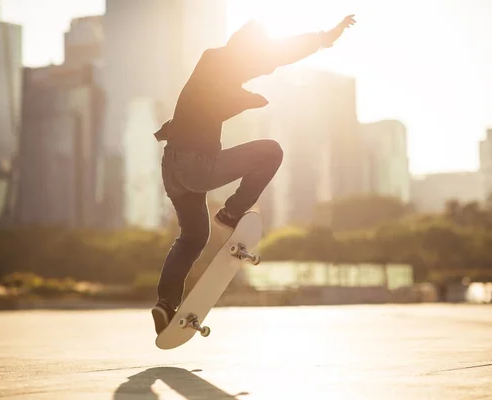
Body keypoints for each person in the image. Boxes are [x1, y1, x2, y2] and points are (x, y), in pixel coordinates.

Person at [151, 14, 356, 335]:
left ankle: (165, 303)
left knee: (193, 237)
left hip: (172, 169)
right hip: (196, 166)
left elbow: (266, 58)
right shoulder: (225, 61)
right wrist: (321, 39)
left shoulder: (211, 65)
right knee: (271, 151)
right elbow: (277, 53)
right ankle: (231, 213)